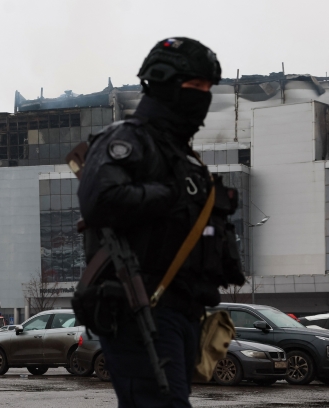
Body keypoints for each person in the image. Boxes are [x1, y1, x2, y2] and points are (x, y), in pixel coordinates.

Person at [77, 37, 226, 407]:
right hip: (139, 308)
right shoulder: (128, 139)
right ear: (163, 85)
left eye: (208, 88)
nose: (202, 96)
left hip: (183, 311)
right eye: (194, 87)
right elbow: (101, 200)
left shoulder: (182, 156)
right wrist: (172, 194)